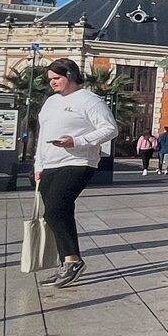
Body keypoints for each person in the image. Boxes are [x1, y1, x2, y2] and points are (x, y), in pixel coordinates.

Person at [34, 57, 119, 288]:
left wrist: (78, 141)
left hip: (78, 161)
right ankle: (66, 261)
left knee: (56, 208)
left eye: (57, 78)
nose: (52, 82)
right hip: (50, 163)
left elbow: (110, 129)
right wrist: (38, 165)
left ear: (70, 75)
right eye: (50, 79)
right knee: (55, 211)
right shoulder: (51, 102)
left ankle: (72, 259)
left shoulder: (89, 100)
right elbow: (43, 135)